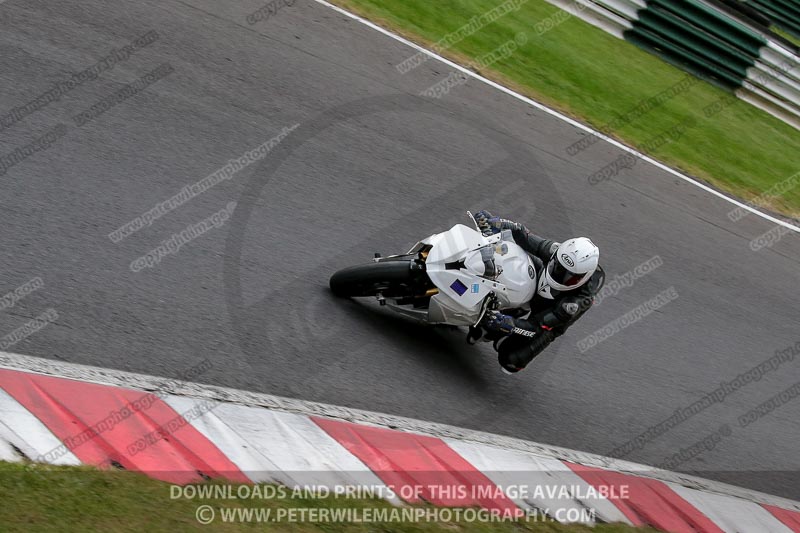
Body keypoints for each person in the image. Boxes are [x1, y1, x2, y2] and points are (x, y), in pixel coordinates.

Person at [471, 210, 604, 374]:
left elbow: (535, 327)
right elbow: (521, 233)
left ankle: (497, 329)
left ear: (584, 277)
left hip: (547, 317)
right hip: (539, 278)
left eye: (569, 277)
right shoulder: (557, 251)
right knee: (507, 248)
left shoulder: (573, 304)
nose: (560, 275)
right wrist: (495, 222)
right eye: (558, 267)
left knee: (511, 360)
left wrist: (508, 323)